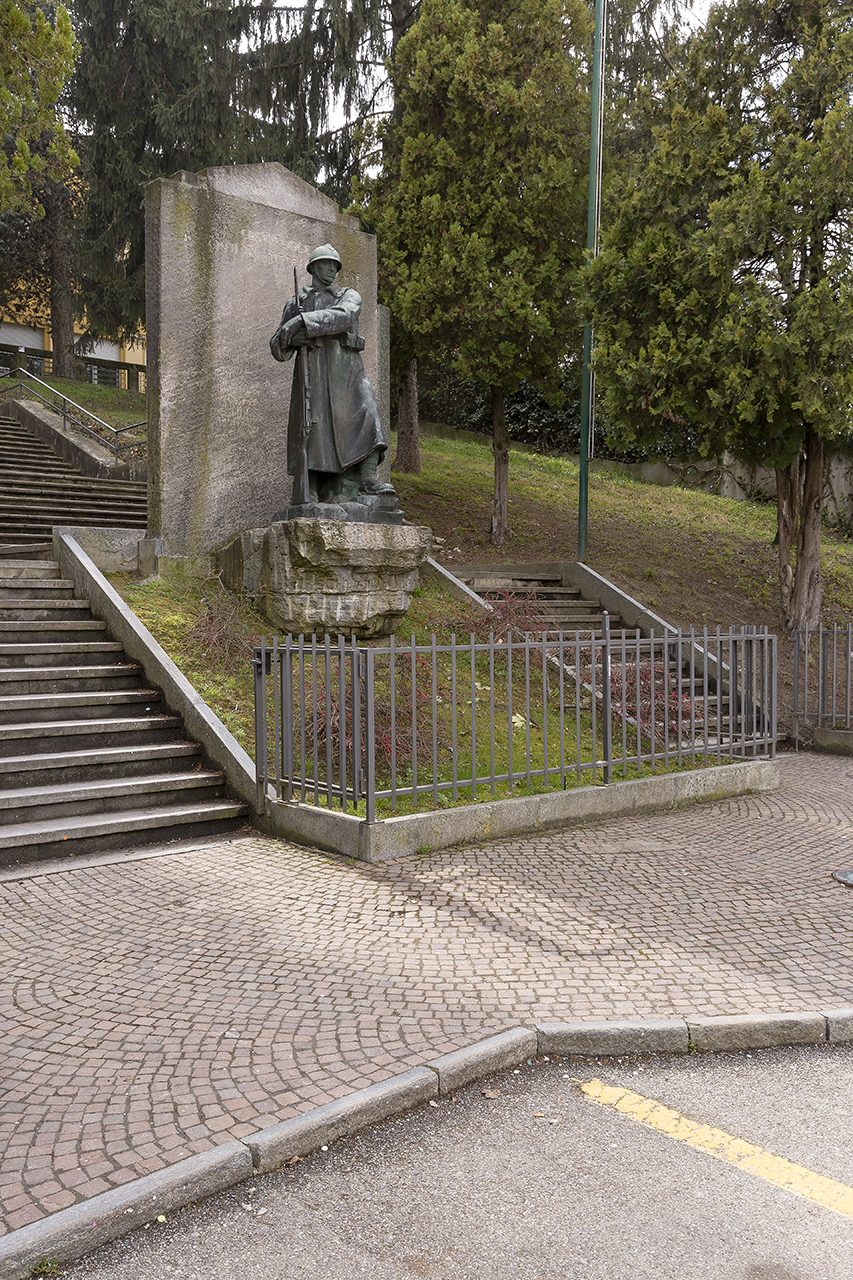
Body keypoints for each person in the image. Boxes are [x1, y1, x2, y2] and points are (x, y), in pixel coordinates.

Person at [270, 244, 395, 505]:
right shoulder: (296, 303)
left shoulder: (347, 295)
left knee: (368, 411)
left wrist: (301, 323)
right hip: (313, 371)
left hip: (348, 371)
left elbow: (344, 316)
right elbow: (277, 347)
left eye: (335, 266)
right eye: (327, 264)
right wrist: (293, 338)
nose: (332, 270)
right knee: (314, 429)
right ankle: (312, 488)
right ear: (314, 267)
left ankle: (369, 476)